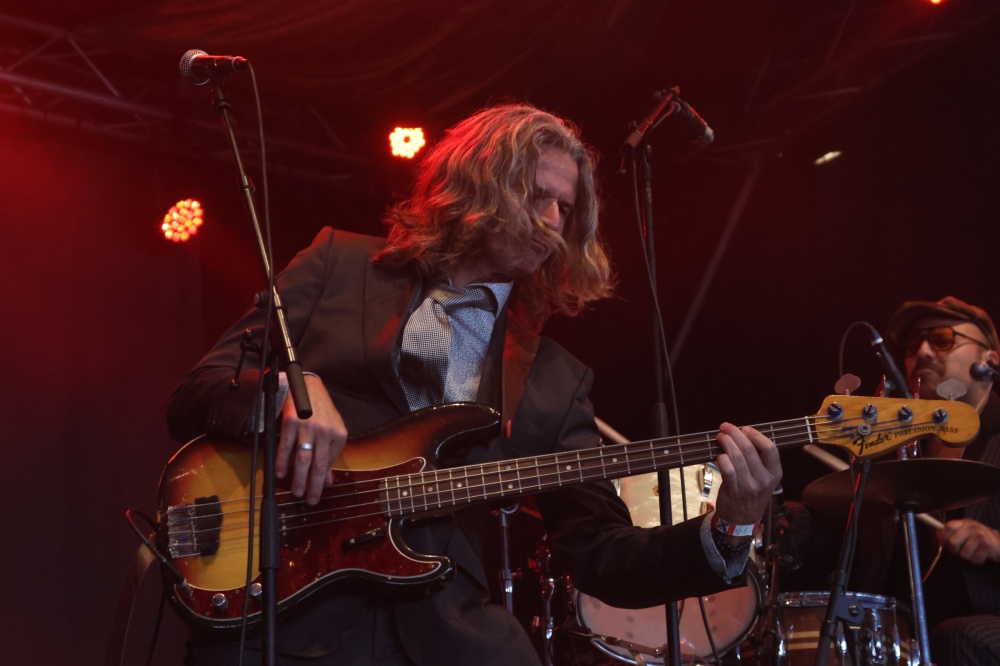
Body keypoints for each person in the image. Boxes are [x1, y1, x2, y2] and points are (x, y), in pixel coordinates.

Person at [166, 103, 782, 665]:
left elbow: (600, 555)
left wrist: (731, 527)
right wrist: (285, 391)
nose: (552, 222)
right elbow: (200, 391)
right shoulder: (338, 264)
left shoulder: (554, 379)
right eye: (537, 196)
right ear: (478, 184)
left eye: (565, 209)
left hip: (447, 636)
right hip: (287, 612)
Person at [884, 296, 1000, 666]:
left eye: (942, 339)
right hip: (907, 638)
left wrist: (996, 543)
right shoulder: (896, 452)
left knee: (958, 636)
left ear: (989, 362)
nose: (922, 352)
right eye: (913, 344)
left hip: (977, 634)